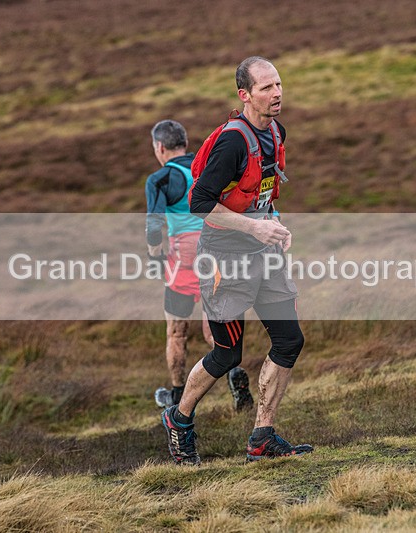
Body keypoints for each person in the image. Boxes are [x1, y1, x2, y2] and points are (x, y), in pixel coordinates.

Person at [161, 57, 313, 465]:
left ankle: (262, 436)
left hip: (264, 254)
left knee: (289, 340)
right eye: (266, 88)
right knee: (227, 353)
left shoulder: (277, 131)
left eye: (279, 84)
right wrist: (255, 229)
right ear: (244, 95)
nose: (277, 93)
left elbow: (262, 194)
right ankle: (179, 419)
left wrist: (274, 226)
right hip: (225, 258)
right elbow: (199, 204)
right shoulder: (232, 140)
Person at [145, 119, 254, 411]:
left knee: (177, 331)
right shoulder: (205, 166)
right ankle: (234, 374)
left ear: (160, 147)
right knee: (214, 329)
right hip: (217, 249)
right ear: (185, 143)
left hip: (183, 259)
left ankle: (178, 396)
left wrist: (155, 257)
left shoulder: (160, 179)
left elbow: (154, 227)